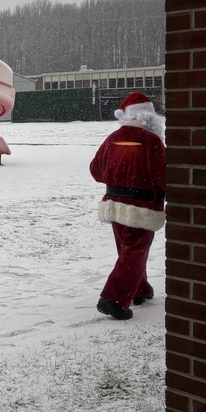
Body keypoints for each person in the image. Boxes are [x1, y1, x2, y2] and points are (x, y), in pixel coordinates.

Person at [89, 91, 166, 321]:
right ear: (149, 118)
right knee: (135, 251)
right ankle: (113, 299)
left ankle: (139, 290)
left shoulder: (112, 138)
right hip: (141, 206)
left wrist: (116, 178)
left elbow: (95, 169)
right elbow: (162, 176)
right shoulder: (152, 141)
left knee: (127, 250)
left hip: (113, 203)